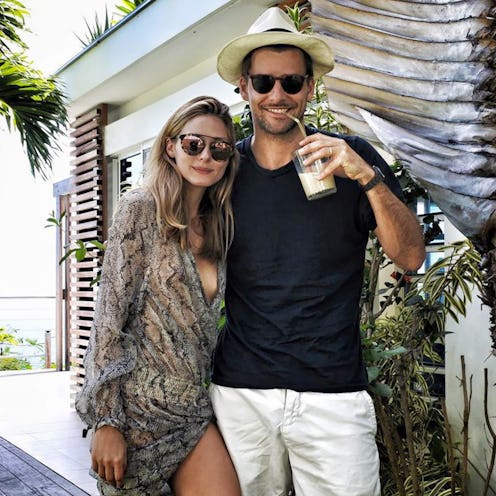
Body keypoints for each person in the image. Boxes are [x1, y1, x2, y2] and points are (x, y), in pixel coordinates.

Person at [210, 7, 426, 496]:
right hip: (241, 392)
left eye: (292, 83)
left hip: (333, 395)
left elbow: (411, 257)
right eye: (264, 82)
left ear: (310, 88)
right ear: (244, 88)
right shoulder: (222, 172)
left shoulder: (352, 158)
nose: (278, 95)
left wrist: (365, 175)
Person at [75, 95, 241, 496]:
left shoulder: (219, 223)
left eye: (219, 148)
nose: (206, 156)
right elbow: (109, 319)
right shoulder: (140, 208)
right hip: (135, 415)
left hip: (192, 410)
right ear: (171, 146)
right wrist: (107, 422)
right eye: (193, 144)